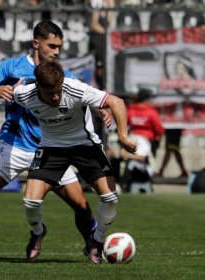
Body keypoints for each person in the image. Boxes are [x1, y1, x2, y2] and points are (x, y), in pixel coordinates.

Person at [0, 20, 111, 262]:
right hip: (14, 146)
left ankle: (93, 247)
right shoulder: (12, 67)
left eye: (59, 47)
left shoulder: (62, 74)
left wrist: (103, 110)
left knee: (81, 204)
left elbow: (86, 96)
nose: (56, 52)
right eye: (52, 46)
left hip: (50, 149)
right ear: (36, 43)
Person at [13, 60, 136, 264]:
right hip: (51, 148)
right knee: (30, 202)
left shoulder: (74, 89)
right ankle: (38, 232)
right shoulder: (25, 94)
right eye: (49, 92)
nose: (55, 96)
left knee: (111, 198)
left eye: (58, 91)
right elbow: (11, 90)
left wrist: (122, 136)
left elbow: (116, 102)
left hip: (84, 146)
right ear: (38, 87)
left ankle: (96, 241)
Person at [121, 89, 164, 191]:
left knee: (130, 161)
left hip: (132, 141)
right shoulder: (151, 112)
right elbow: (159, 129)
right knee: (148, 162)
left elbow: (124, 124)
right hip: (148, 142)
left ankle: (129, 182)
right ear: (147, 99)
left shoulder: (130, 110)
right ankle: (147, 181)